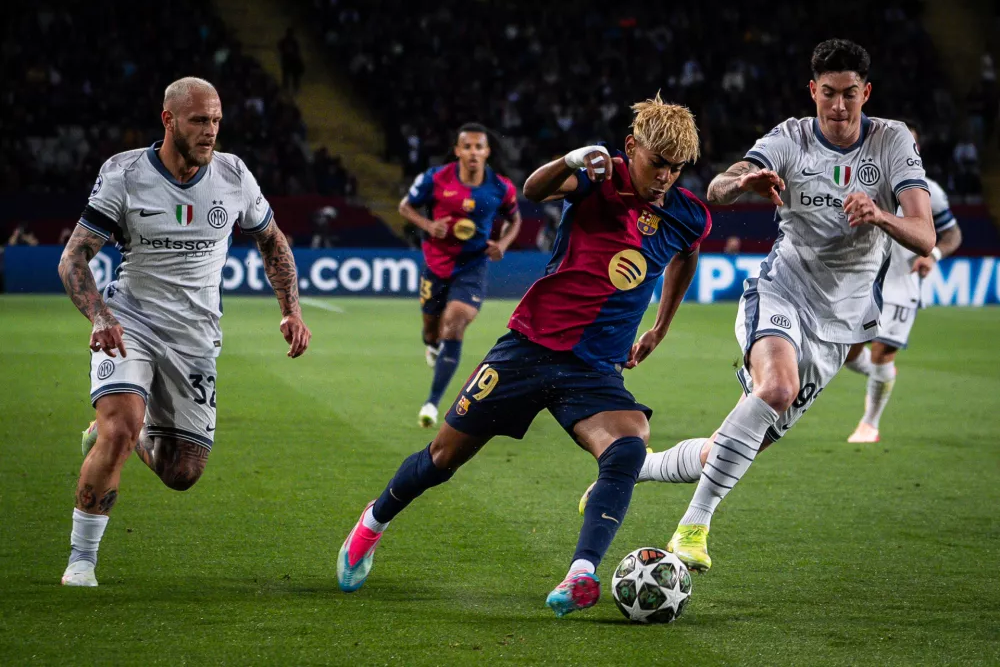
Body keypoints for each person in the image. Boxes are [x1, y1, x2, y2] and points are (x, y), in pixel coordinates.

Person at [338, 94, 709, 618]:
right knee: (443, 458)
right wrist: (571, 160)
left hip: (594, 369)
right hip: (528, 347)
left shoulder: (688, 216)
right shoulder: (600, 176)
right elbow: (535, 191)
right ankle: (371, 525)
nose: (666, 177)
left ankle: (581, 574)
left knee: (627, 447)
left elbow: (686, 258)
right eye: (657, 163)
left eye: (676, 168)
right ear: (632, 147)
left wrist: (660, 327)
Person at [581, 39, 934, 574]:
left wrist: (882, 217)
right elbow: (717, 188)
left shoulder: (892, 144)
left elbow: (925, 235)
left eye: (850, 96)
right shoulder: (790, 137)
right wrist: (743, 182)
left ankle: (637, 468)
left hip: (840, 326)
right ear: (813, 90)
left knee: (731, 448)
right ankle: (692, 527)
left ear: (867, 92)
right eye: (829, 94)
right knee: (776, 387)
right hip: (781, 290)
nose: (839, 108)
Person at [58, 77, 312, 587]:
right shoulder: (125, 173)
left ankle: (126, 433)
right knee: (119, 430)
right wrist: (102, 318)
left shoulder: (234, 175)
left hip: (195, 337)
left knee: (182, 474)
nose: (211, 131)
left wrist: (291, 309)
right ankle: (81, 561)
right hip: (130, 321)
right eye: (199, 120)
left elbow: (272, 241)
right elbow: (74, 258)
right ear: (168, 119)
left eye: (216, 120)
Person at [843, 125, 963, 443]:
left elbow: (953, 234)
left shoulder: (928, 191)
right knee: (848, 353)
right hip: (864, 281)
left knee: (882, 352)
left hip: (902, 283)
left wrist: (934, 254)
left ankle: (870, 424)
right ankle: (883, 376)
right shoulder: (863, 178)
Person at [398, 123, 522, 428]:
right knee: (432, 329)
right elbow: (405, 207)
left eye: (479, 147)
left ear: (487, 152)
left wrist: (502, 244)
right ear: (457, 151)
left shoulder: (501, 187)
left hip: (473, 265)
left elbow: (514, 218)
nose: (473, 153)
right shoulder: (435, 178)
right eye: (467, 147)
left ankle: (431, 403)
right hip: (437, 265)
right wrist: (428, 226)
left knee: (454, 323)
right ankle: (431, 343)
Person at [278, 28, 305, 94]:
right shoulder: (285, 41)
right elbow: (280, 48)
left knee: (292, 76)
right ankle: (287, 88)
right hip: (287, 60)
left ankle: (293, 88)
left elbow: (297, 51)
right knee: (287, 75)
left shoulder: (293, 42)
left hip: (292, 61)